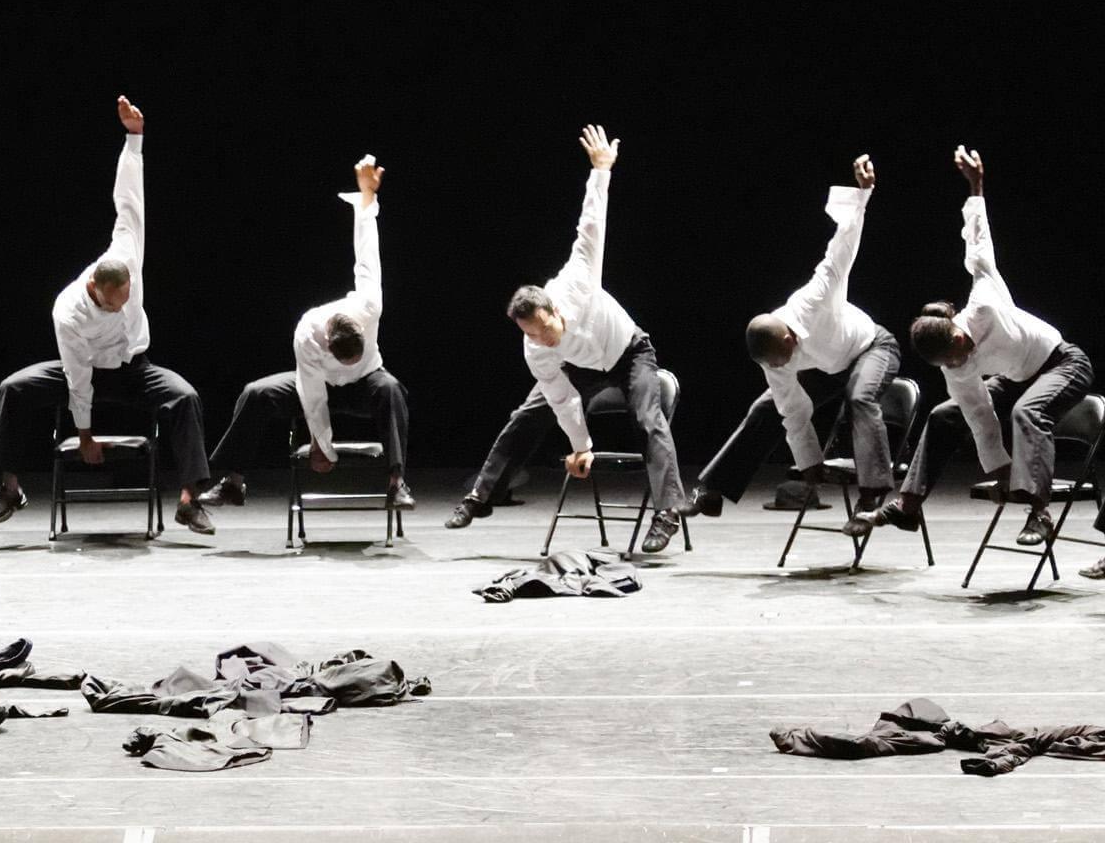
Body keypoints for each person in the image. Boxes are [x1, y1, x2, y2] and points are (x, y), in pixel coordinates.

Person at [0, 96, 231, 536]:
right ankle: (10, 488)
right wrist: (84, 435)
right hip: (87, 370)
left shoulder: (125, 254)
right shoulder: (69, 312)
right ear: (96, 289)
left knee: (185, 397)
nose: (123, 306)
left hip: (135, 369)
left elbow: (129, 199)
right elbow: (78, 379)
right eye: (116, 303)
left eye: (127, 298)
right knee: (14, 389)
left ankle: (189, 502)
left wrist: (133, 138)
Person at [449, 126, 690, 553]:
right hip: (580, 371)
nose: (542, 338)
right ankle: (481, 496)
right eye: (532, 334)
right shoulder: (536, 349)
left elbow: (591, 224)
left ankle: (667, 512)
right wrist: (582, 447)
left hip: (630, 353)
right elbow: (562, 400)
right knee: (526, 414)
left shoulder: (577, 281)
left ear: (555, 309)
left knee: (649, 416)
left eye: (545, 328)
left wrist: (601, 171)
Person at [872, 146, 1092, 546]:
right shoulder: (953, 366)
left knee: (1029, 410)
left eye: (955, 356)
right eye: (949, 364)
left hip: (1063, 364)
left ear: (957, 333)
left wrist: (976, 184)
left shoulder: (986, 301)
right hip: (1019, 377)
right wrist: (1003, 469)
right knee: (944, 414)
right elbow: (980, 416)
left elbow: (978, 239)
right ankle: (908, 504)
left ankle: (1040, 514)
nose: (958, 364)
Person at [688, 156, 900, 530]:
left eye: (781, 359)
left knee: (860, 397)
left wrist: (863, 194)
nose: (780, 367)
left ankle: (871, 498)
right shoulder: (774, 358)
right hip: (827, 367)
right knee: (765, 407)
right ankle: (714, 490)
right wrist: (811, 464)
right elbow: (792, 409)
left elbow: (842, 248)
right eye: (774, 365)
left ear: (788, 336)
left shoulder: (815, 297)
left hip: (871, 348)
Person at [205, 155, 413, 522]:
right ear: (330, 342)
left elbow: (367, 256)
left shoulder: (369, 305)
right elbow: (313, 395)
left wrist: (366, 200)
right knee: (256, 393)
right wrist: (323, 446)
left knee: (392, 389)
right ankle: (232, 480)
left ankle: (397, 481)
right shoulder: (308, 333)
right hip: (319, 386)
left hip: (366, 383)